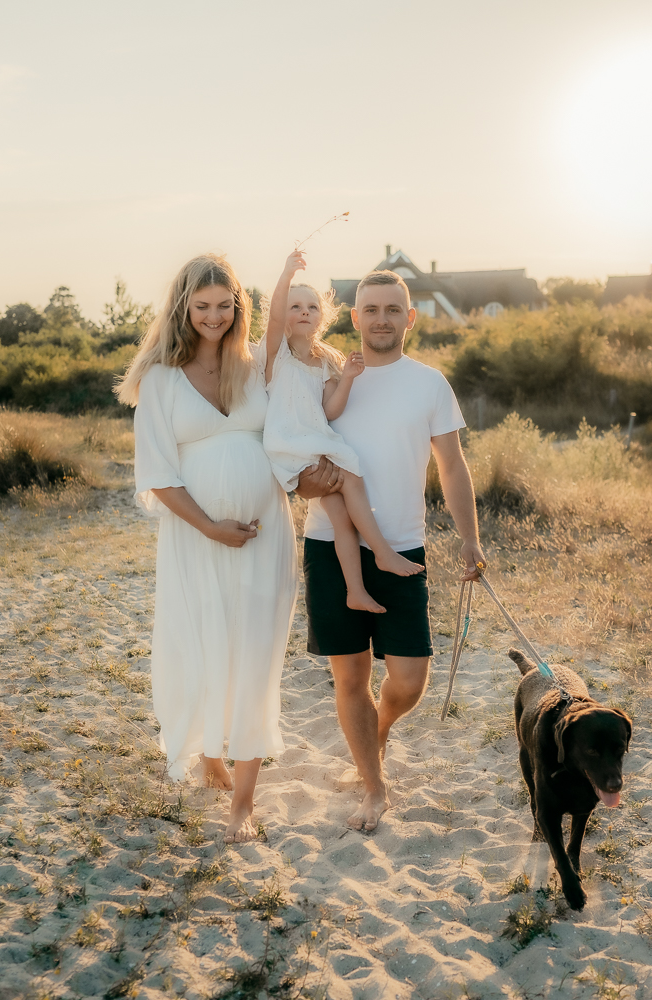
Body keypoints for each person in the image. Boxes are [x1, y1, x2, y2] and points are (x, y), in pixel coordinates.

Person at [294, 269, 485, 832]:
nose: (381, 319)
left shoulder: (429, 384)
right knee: (349, 677)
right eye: (370, 309)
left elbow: (452, 466)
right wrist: (308, 484)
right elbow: (292, 464)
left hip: (404, 546)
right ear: (355, 318)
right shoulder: (324, 379)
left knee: (409, 679)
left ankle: (374, 735)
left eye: (392, 310)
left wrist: (470, 540)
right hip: (332, 548)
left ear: (410, 318)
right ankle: (374, 788)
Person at [116, 253, 297, 843]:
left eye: (225, 305)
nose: (214, 316)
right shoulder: (161, 382)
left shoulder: (256, 370)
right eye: (202, 307)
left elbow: (297, 425)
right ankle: (208, 750)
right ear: (183, 308)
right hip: (197, 540)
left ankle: (243, 803)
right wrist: (211, 526)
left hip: (265, 535)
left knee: (255, 654)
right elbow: (160, 476)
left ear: (237, 307)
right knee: (204, 646)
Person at [261, 247, 423, 614]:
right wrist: (286, 276)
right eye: (294, 305)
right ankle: (382, 551)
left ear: (324, 316)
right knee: (353, 477)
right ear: (283, 312)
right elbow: (272, 321)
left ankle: (356, 591)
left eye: (312, 307)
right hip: (290, 446)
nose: (304, 311)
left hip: (314, 447)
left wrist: (347, 378)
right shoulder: (276, 355)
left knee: (341, 519)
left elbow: (331, 409)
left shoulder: (325, 361)